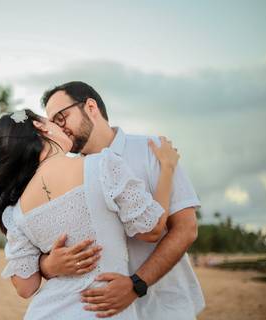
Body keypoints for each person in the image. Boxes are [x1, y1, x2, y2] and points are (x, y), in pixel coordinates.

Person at [0, 108, 179, 319]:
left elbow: (26, 287)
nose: (60, 126)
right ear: (40, 127)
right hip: (101, 311)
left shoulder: (16, 211)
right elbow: (152, 230)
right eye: (52, 121)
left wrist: (47, 265)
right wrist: (167, 169)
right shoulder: (102, 165)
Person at [38, 81, 204, 319]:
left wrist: (137, 284)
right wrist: (47, 265)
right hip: (95, 311)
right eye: (53, 124)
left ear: (91, 107)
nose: (58, 129)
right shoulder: (63, 175)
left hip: (163, 306)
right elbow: (42, 243)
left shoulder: (153, 150)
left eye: (61, 117)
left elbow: (186, 229)